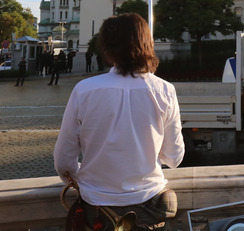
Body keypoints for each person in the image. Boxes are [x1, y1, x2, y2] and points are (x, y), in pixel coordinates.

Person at [54, 13, 184, 230]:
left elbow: (63, 161)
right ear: (146, 43)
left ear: (107, 47)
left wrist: (92, 173)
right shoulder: (164, 90)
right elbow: (174, 158)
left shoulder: (85, 90)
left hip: (97, 207)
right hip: (150, 206)